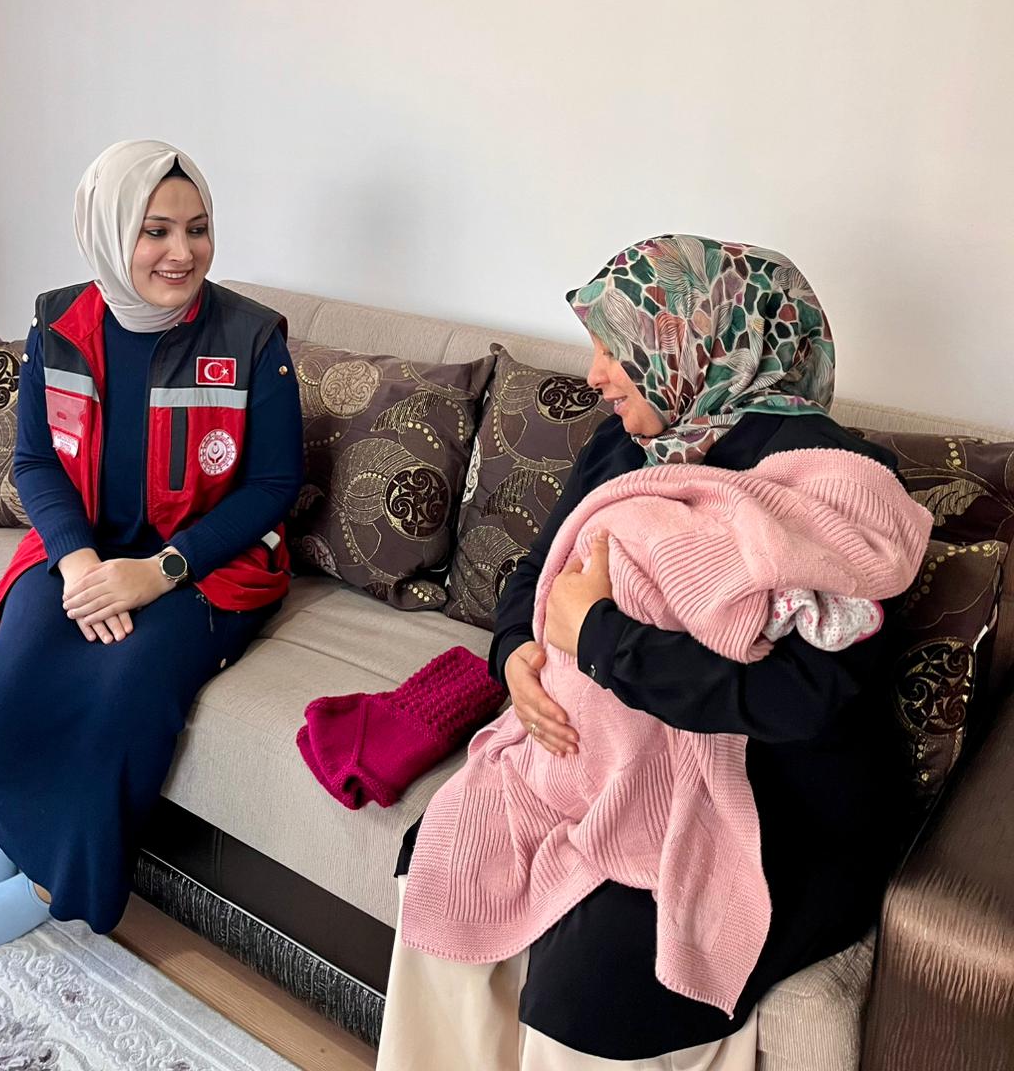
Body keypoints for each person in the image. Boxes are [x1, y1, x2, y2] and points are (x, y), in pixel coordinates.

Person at [378, 236, 923, 1071]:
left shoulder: (838, 483)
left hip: (783, 805)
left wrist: (598, 637)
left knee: (591, 989)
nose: (595, 374)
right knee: (442, 857)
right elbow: (536, 571)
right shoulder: (629, 444)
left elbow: (800, 700)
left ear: (692, 341)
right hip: (615, 770)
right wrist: (516, 654)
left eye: (613, 348)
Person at [0, 139, 303, 950]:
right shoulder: (58, 323)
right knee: (2, 689)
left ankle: (49, 881)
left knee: (121, 695)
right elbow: (36, 461)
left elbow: (275, 486)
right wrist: (78, 563)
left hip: (207, 569)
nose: (183, 252)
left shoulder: (252, 339)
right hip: (85, 552)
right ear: (107, 231)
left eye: (197, 229)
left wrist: (160, 572)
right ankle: (16, 829)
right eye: (155, 231)